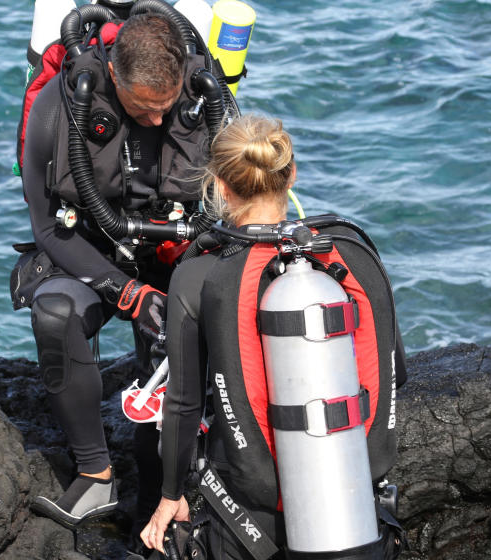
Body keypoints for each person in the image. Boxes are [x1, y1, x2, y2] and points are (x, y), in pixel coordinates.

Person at [139, 114, 406, 559]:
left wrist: (170, 497)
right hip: (352, 501)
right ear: (291, 174)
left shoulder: (199, 273)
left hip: (251, 507)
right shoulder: (347, 252)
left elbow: (183, 405)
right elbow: (392, 370)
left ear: (221, 186)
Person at [12, 10, 224, 530]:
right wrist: (127, 292)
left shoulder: (204, 101)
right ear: (113, 77)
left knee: (187, 332)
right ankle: (95, 475)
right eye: (143, 109)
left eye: (164, 108)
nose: (156, 121)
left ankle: (169, 486)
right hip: (88, 248)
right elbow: (45, 228)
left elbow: (237, 210)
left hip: (174, 254)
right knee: (56, 314)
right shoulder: (56, 109)